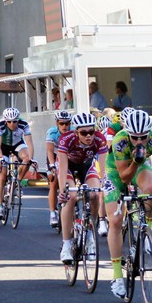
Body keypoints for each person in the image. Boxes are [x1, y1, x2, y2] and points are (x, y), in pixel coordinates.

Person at [104, 109, 152, 298]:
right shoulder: (119, 140)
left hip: (140, 165)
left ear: (149, 133)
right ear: (128, 133)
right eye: (134, 137)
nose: (139, 141)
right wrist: (135, 161)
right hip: (116, 172)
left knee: (150, 187)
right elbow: (124, 177)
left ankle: (147, 231)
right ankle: (117, 277)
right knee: (115, 221)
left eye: (143, 137)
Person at [56, 113, 107, 264]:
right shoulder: (66, 139)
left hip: (87, 166)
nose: (88, 136)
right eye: (84, 133)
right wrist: (62, 191)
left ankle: (90, 233)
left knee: (95, 195)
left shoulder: (100, 139)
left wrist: (105, 184)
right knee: (71, 197)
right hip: (68, 167)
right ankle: (66, 244)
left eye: (91, 131)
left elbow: (103, 167)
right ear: (76, 132)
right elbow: (62, 167)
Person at [0, 107, 35, 221]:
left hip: (17, 145)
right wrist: (1, 158)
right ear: (5, 120)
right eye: (9, 122)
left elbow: (29, 143)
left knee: (27, 159)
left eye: (15, 121)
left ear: (18, 120)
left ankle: (17, 183)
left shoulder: (24, 124)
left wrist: (32, 159)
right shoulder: (0, 125)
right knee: (2, 175)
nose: (12, 124)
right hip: (3, 147)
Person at [45, 110, 73, 227]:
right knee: (53, 182)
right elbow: (50, 150)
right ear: (57, 123)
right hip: (55, 154)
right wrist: (52, 165)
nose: (64, 126)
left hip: (69, 155)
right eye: (61, 123)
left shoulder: (74, 131)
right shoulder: (52, 132)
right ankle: (53, 213)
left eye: (67, 123)